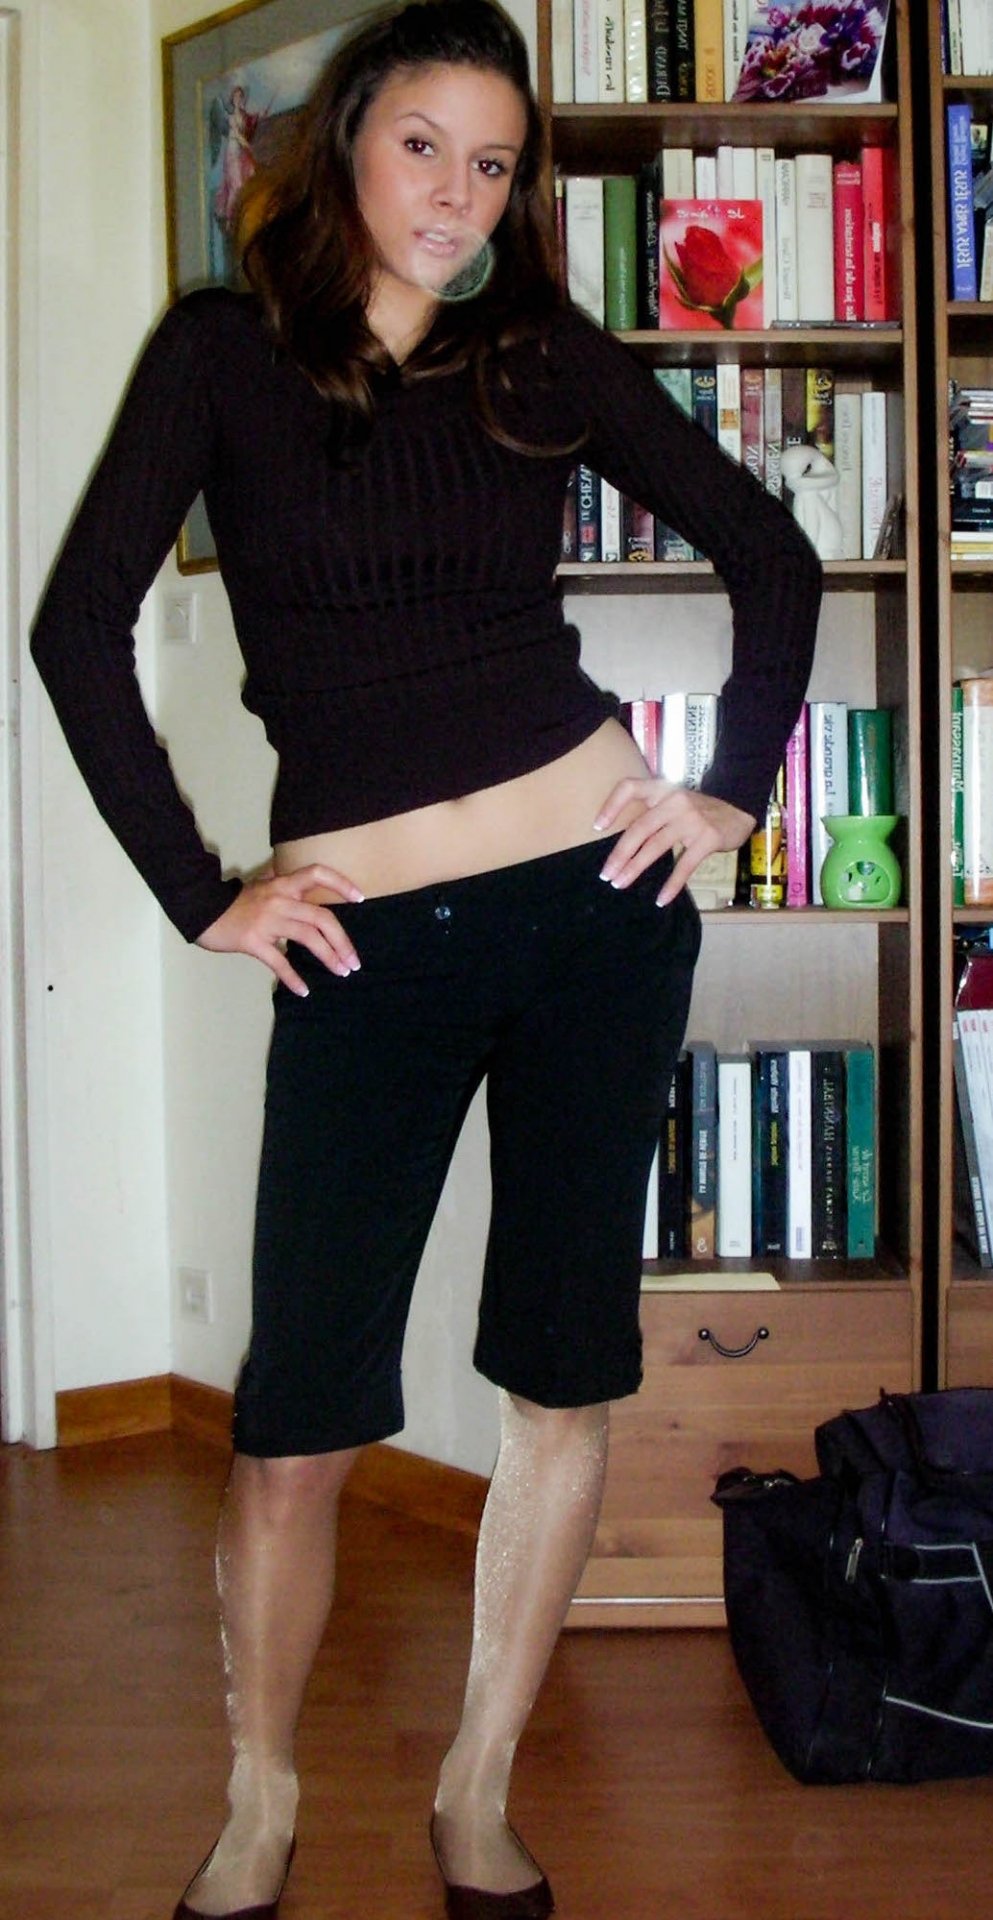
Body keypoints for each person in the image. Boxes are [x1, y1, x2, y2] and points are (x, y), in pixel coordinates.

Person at [30, 3, 822, 1916]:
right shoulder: (221, 353)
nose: (456, 193)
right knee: (301, 1408)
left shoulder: (535, 351)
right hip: (364, 944)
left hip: (593, 917)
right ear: (345, 140)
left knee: (558, 1371)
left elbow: (769, 551)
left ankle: (476, 1790)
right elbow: (75, 628)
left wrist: (726, 788)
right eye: (421, 146)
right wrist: (201, 891)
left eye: (491, 164)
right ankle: (262, 1798)